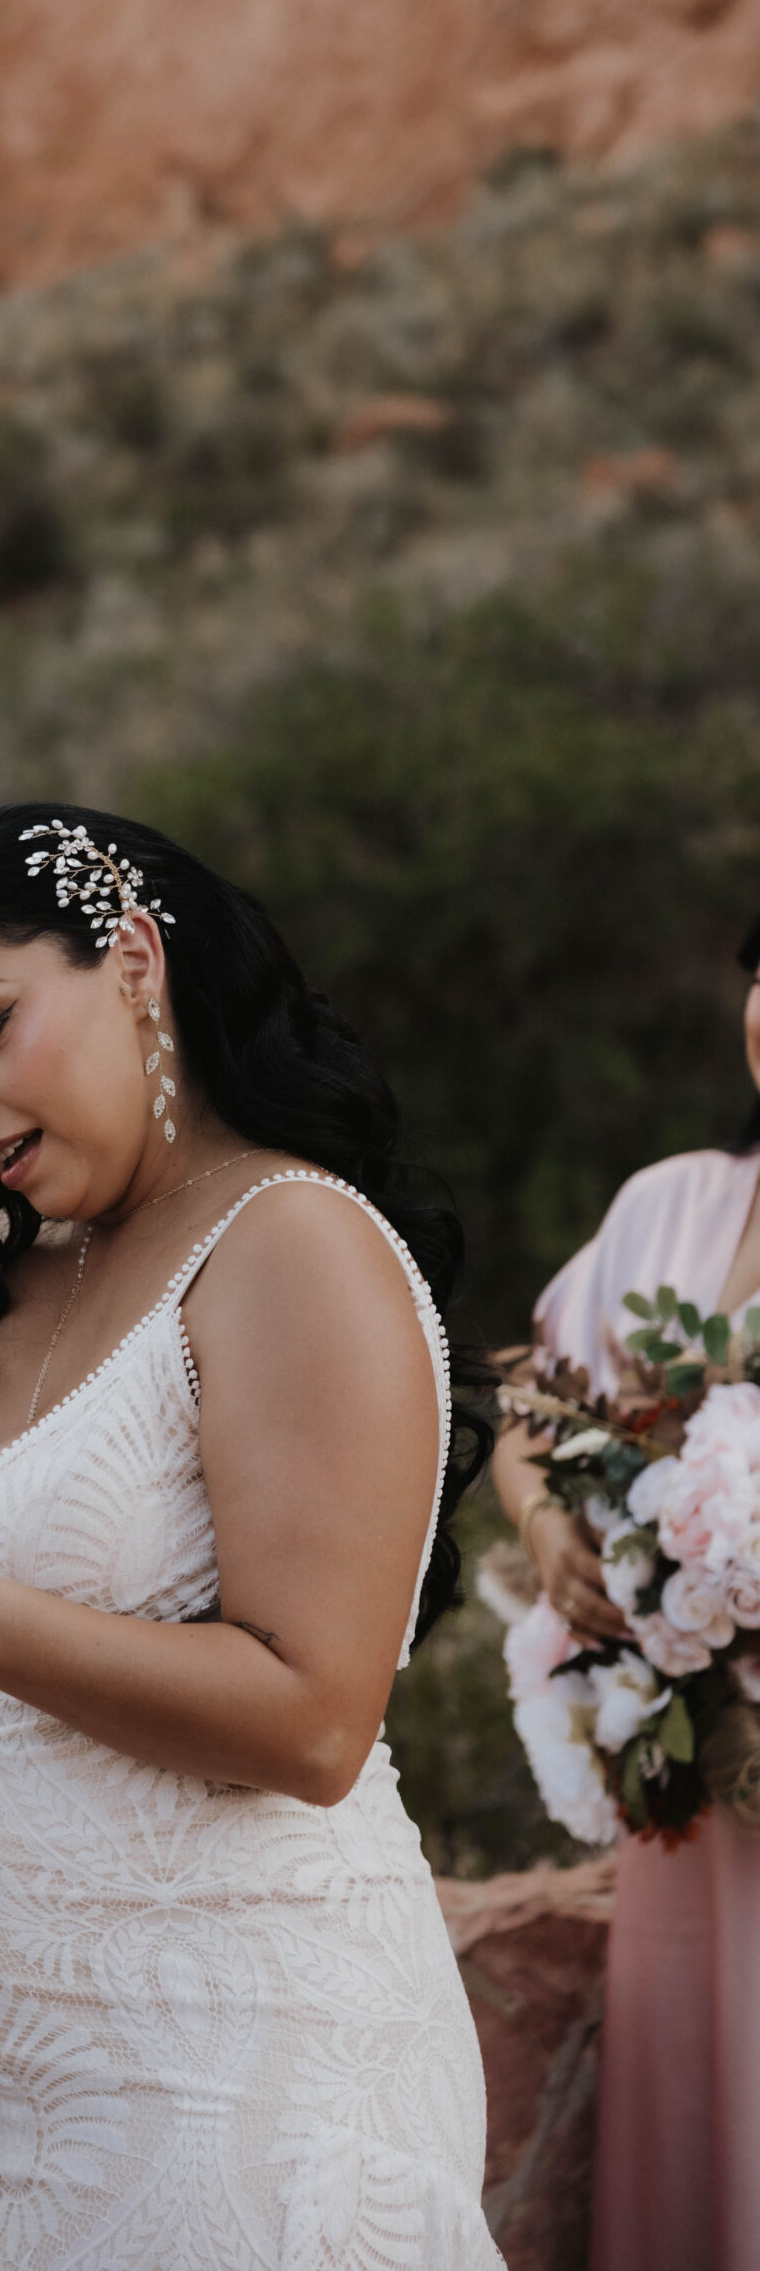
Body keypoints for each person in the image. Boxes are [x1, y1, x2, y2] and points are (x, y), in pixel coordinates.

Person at [0, 803, 498, 2270]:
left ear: (131, 960)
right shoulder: (10, 1263)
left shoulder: (288, 1242)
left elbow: (313, 1721)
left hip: (218, 2111)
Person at [492, 907, 760, 2271]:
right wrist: (549, 1534)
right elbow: (529, 1415)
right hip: (693, 1781)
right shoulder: (672, 1204)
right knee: (701, 2139)